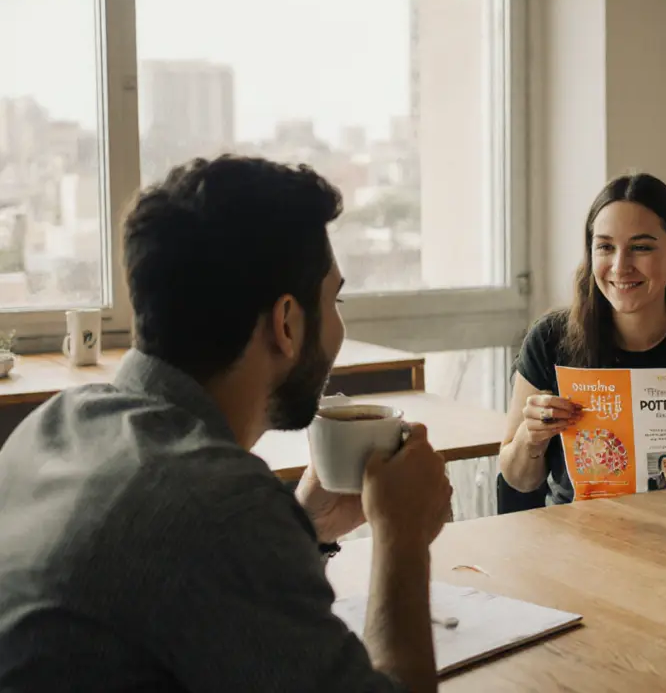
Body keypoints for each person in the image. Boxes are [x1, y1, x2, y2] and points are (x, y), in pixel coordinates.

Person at [0, 156, 452, 692]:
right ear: (286, 323)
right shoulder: (218, 505)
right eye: (334, 299)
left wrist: (305, 529)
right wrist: (403, 538)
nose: (336, 323)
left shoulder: (52, 427)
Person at [500, 172, 666, 505]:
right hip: (582, 537)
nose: (621, 266)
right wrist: (530, 439)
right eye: (606, 247)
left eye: (640, 247)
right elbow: (518, 480)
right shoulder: (550, 338)